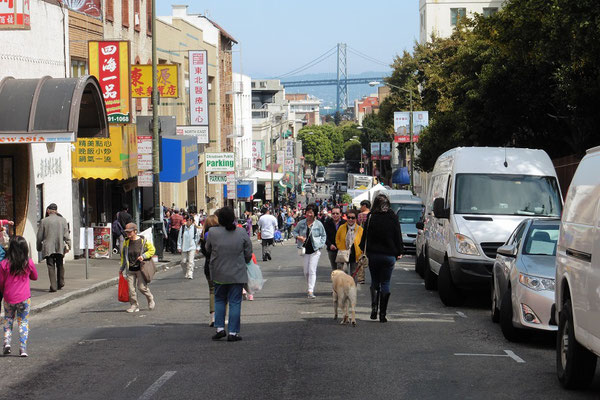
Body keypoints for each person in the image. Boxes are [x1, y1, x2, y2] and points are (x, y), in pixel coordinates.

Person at [206, 207, 252, 342]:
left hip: (218, 272)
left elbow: (208, 248)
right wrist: (245, 261)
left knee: (219, 300)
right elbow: (248, 252)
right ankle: (233, 332)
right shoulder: (241, 232)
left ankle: (220, 328)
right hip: (237, 272)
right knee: (235, 302)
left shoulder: (213, 232)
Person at [359, 194, 403, 323]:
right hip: (389, 255)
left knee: (375, 281)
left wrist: (363, 248)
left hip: (374, 254)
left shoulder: (371, 216)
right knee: (385, 282)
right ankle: (383, 314)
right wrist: (400, 251)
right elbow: (397, 235)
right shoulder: (393, 216)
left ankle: (374, 310)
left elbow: (364, 236)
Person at [0, 236, 38, 357]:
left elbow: (1, 282)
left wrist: (4, 292)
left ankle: (7, 342)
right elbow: (35, 277)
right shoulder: (28, 262)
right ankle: (23, 349)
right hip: (24, 298)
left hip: (9, 297)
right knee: (23, 322)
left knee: (8, 320)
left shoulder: (4, 264)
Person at [119, 223, 156, 313]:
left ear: (135, 231)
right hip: (130, 269)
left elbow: (152, 250)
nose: (128, 234)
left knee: (141, 287)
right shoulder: (126, 242)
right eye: (127, 233)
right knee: (131, 289)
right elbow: (124, 256)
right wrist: (122, 268)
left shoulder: (143, 241)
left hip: (140, 268)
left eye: (130, 232)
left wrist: (143, 256)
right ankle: (134, 305)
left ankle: (150, 298)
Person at [292, 204, 327, 299]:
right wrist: (298, 237)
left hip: (315, 250)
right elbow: (294, 232)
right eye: (308, 212)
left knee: (312, 270)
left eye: (311, 212)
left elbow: (323, 235)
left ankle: (310, 290)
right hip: (304, 250)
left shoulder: (318, 224)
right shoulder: (301, 223)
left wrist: (320, 245)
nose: (309, 214)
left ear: (315, 213)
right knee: (306, 271)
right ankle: (309, 287)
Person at [36, 203, 70, 292]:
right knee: (60, 264)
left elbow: (39, 236)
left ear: (48, 210)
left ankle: (53, 286)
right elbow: (66, 235)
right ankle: (61, 282)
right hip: (59, 246)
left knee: (50, 266)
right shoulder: (63, 220)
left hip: (48, 247)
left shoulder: (44, 221)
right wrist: (69, 245)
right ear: (56, 210)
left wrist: (38, 247)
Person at [200, 215, 219, 327]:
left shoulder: (203, 235)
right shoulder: (220, 235)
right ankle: (221, 317)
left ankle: (212, 317)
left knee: (212, 291)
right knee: (222, 292)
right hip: (220, 265)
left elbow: (205, 251)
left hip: (208, 265)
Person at [335, 208, 364, 281]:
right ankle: (343, 289)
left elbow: (363, 241)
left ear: (356, 219)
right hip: (343, 253)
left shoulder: (360, 229)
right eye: (349, 217)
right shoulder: (342, 227)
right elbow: (337, 238)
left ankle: (352, 290)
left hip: (355, 255)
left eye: (353, 218)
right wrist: (339, 247)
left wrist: (361, 252)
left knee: (354, 274)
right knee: (342, 273)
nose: (350, 219)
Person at [177, 214, 200, 279]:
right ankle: (186, 272)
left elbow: (197, 239)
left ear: (192, 221)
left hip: (192, 246)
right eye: (187, 220)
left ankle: (190, 274)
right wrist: (179, 246)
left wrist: (198, 247)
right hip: (184, 246)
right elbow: (180, 237)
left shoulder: (195, 229)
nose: (188, 221)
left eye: (190, 220)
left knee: (191, 261)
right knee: (183, 262)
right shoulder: (183, 228)